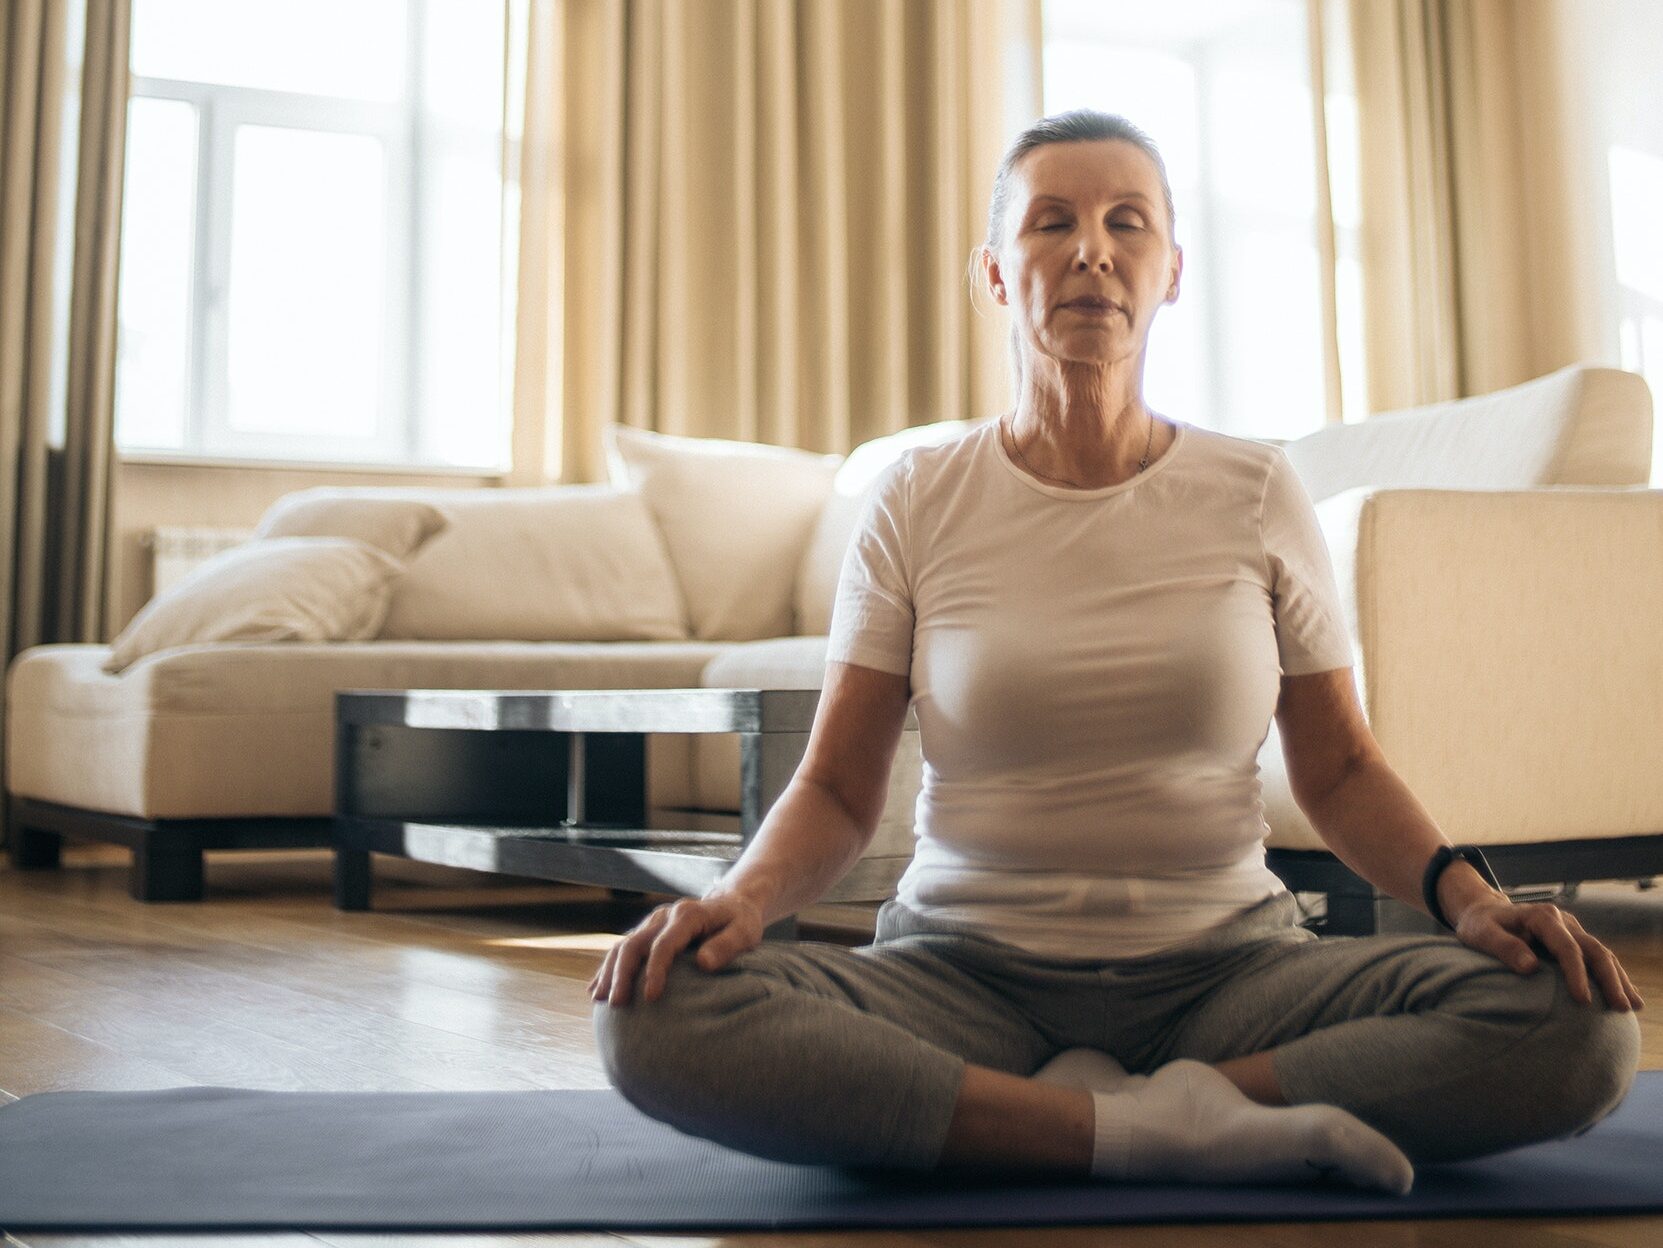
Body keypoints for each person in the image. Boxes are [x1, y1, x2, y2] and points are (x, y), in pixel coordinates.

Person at [588, 110, 1642, 1193]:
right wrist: (739, 901)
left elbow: (1339, 767)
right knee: (656, 1015)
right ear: (996, 273)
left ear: (1169, 271)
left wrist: (1476, 902)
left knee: (1577, 1025)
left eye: (1124, 222)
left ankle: (1074, 1118)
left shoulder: (1253, 488)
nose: (1091, 248)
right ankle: (1161, 1127)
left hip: (1229, 975)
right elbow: (838, 787)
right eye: (1051, 223)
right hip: (963, 977)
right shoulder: (917, 497)